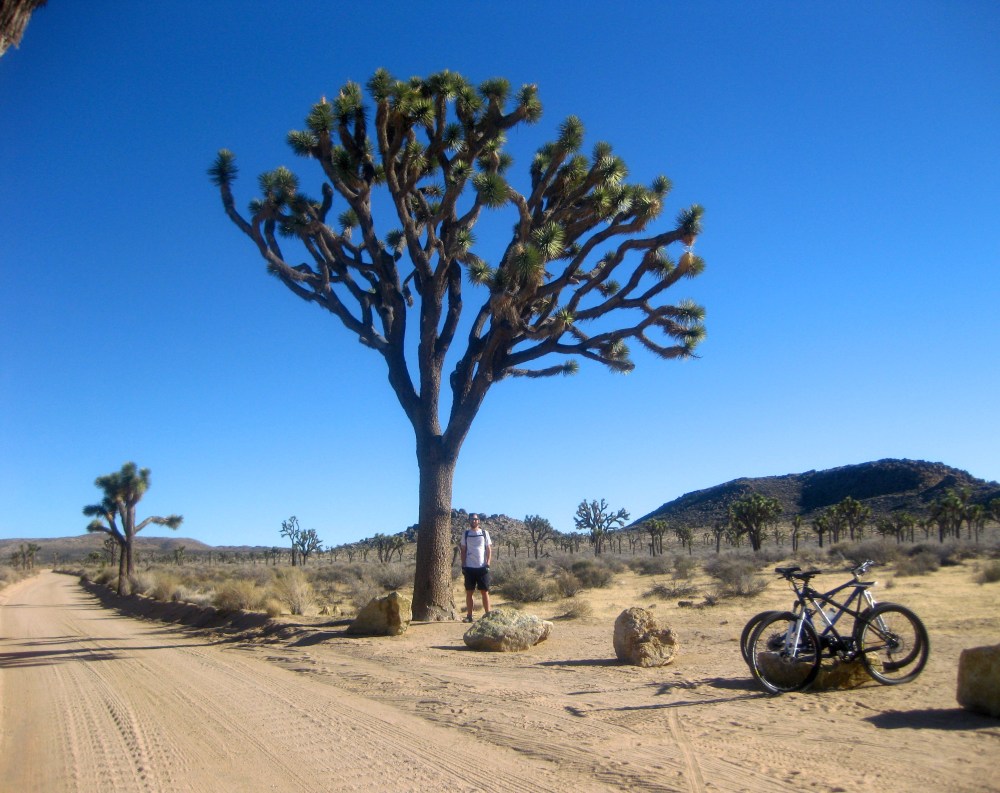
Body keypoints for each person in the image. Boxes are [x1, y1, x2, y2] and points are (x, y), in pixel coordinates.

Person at [459, 513, 492, 622]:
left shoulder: (484, 533)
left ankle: (488, 615)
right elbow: (463, 550)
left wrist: (488, 563)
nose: (474, 521)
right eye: (472, 519)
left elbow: (488, 549)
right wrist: (463, 565)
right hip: (469, 567)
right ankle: (469, 616)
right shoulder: (466, 534)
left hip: (482, 567)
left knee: (484, 591)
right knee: (469, 592)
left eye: (475, 519)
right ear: (469, 521)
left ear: (479, 521)